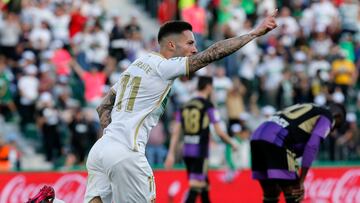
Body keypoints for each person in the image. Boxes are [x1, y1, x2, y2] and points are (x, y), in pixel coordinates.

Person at [84, 11, 277, 203]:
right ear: (171, 45)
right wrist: (254, 33)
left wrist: (112, 137)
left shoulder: (137, 65)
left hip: (101, 150)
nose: (194, 49)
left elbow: (102, 107)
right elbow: (212, 54)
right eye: (190, 43)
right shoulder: (163, 66)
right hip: (126, 153)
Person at [250, 103, 346, 203]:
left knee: (271, 193)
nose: (331, 130)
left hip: (257, 136)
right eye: (335, 126)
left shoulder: (309, 106)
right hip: (277, 138)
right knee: (295, 192)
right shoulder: (328, 115)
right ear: (337, 116)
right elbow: (312, 145)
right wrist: (301, 180)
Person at [164, 76, 237, 203]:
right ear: (208, 87)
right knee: (196, 187)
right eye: (212, 88)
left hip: (186, 151)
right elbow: (219, 132)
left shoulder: (184, 106)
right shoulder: (208, 106)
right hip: (200, 152)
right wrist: (232, 143)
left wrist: (170, 154)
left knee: (204, 186)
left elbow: (176, 132)